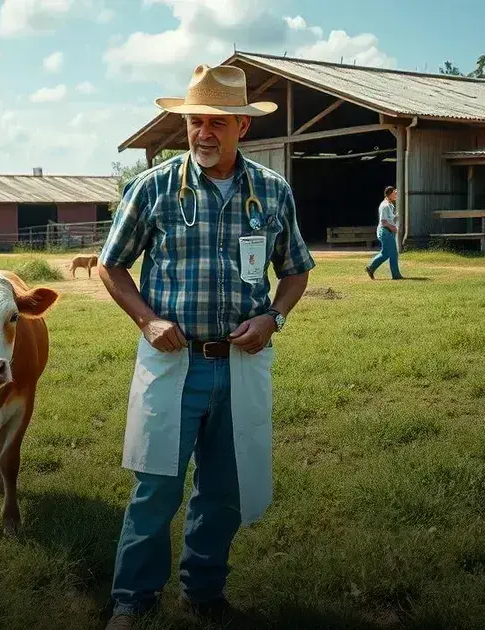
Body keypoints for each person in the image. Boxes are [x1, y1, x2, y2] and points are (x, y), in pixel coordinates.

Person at [97, 63, 315, 629]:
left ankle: (204, 591)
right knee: (156, 489)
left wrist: (274, 317)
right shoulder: (155, 188)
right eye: (196, 121)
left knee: (226, 489)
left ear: (243, 126)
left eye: (218, 122)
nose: (203, 133)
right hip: (174, 362)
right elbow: (111, 266)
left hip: (241, 363)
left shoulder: (271, 192)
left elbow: (295, 271)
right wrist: (146, 321)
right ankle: (131, 601)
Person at [366, 186, 404, 280]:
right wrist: (393, 228)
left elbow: (389, 219)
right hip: (385, 232)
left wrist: (395, 218)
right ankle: (396, 275)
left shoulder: (390, 205)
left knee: (385, 253)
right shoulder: (385, 205)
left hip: (387, 232)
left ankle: (371, 268)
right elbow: (384, 222)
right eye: (394, 193)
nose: (396, 195)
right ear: (390, 194)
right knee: (394, 253)